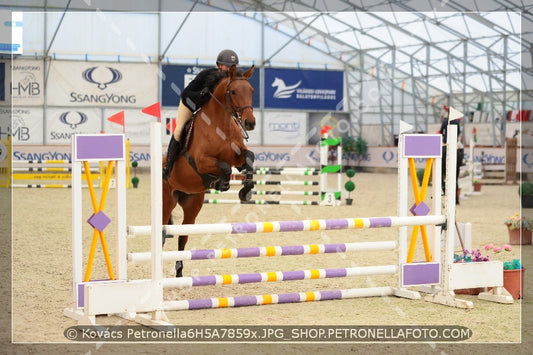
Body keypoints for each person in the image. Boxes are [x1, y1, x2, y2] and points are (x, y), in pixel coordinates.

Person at [162, 49, 240, 180]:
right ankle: (168, 166)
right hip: (190, 104)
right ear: (219, 65)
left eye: (233, 67)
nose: (230, 69)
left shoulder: (233, 81)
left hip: (208, 113)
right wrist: (201, 94)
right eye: (227, 66)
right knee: (179, 130)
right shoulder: (206, 74)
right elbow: (185, 94)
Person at [439, 105, 463, 204]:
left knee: (441, 174)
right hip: (455, 143)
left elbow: (441, 131)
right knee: (460, 148)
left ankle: (445, 193)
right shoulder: (457, 122)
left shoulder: (445, 121)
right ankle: (462, 161)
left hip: (445, 143)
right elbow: (458, 133)